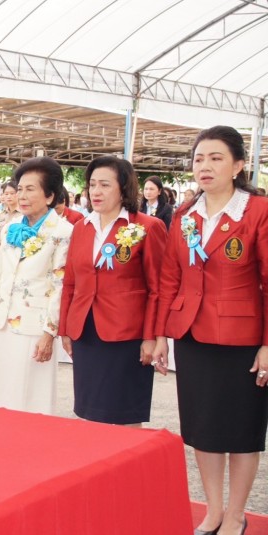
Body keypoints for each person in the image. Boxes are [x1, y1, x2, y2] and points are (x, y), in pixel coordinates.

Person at [153, 126, 268, 535]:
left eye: (216, 158)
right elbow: (170, 277)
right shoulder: (185, 214)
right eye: (199, 159)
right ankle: (214, 511)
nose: (205, 166)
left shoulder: (258, 211)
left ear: (238, 166)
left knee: (241, 431)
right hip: (192, 337)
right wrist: (161, 334)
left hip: (242, 340)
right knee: (203, 428)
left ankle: (236, 515)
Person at [59, 156, 168, 426]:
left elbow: (157, 288)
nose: (96, 191)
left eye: (105, 185)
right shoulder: (81, 228)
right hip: (86, 332)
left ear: (123, 188)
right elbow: (70, 283)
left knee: (123, 416)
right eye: (92, 184)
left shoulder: (147, 226)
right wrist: (65, 329)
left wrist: (151, 337)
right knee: (89, 413)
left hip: (126, 336)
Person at [0, 157, 73, 414]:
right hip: (2, 323)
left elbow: (60, 285)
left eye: (30, 189)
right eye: (20, 189)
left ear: (50, 195)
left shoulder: (63, 232)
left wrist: (49, 332)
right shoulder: (10, 227)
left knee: (31, 397)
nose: (22, 195)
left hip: (34, 326)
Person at [0, 180, 20, 252]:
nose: (9, 196)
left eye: (12, 193)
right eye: (6, 194)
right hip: (2, 252)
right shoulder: (2, 215)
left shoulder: (23, 214)